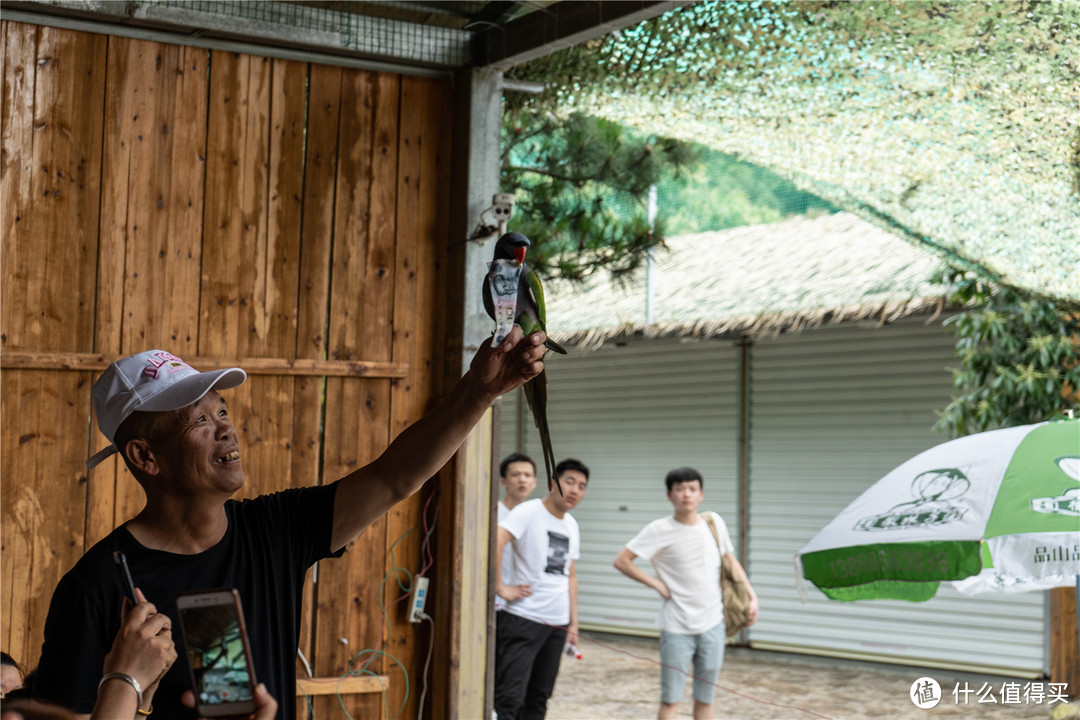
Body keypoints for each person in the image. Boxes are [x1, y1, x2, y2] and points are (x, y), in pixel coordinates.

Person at [32, 328, 546, 720]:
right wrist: (127, 680)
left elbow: (394, 478)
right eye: (199, 420)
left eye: (223, 409)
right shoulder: (97, 584)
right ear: (145, 456)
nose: (225, 427)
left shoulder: (273, 529)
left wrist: (480, 392)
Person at [613, 467, 758, 720]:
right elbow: (622, 561)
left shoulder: (714, 522)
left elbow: (730, 560)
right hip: (677, 628)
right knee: (671, 700)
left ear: (701, 494)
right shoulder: (659, 529)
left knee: (705, 699)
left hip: (713, 626)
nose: (686, 495)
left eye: (692, 489)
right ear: (669, 495)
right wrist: (656, 584)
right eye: (679, 489)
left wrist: (751, 595)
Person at [493, 458, 589, 720]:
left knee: (539, 696)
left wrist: (574, 624)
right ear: (551, 483)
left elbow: (570, 576)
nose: (574, 490)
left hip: (557, 624)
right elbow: (497, 542)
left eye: (582, 486)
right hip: (523, 618)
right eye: (569, 481)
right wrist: (500, 587)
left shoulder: (571, 524)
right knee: (509, 696)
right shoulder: (528, 511)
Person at [496, 454, 539, 613]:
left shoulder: (536, 516)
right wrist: (499, 587)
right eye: (515, 474)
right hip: (495, 600)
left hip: (524, 604)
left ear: (534, 483)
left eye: (527, 475)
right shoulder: (492, 513)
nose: (522, 480)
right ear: (503, 482)